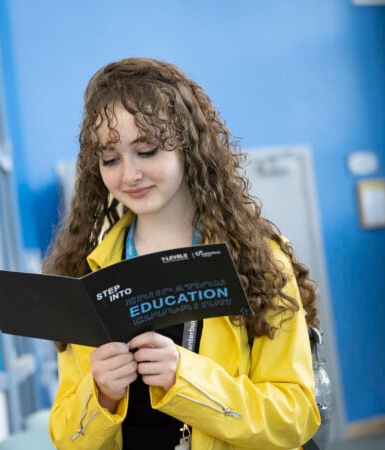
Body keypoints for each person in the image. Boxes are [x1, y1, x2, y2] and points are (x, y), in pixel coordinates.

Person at [43, 57, 321, 450]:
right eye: (110, 158)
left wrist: (186, 379)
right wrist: (100, 395)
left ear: (188, 147)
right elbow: (66, 439)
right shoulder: (86, 274)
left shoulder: (257, 263)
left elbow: (295, 418)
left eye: (147, 150)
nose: (129, 174)